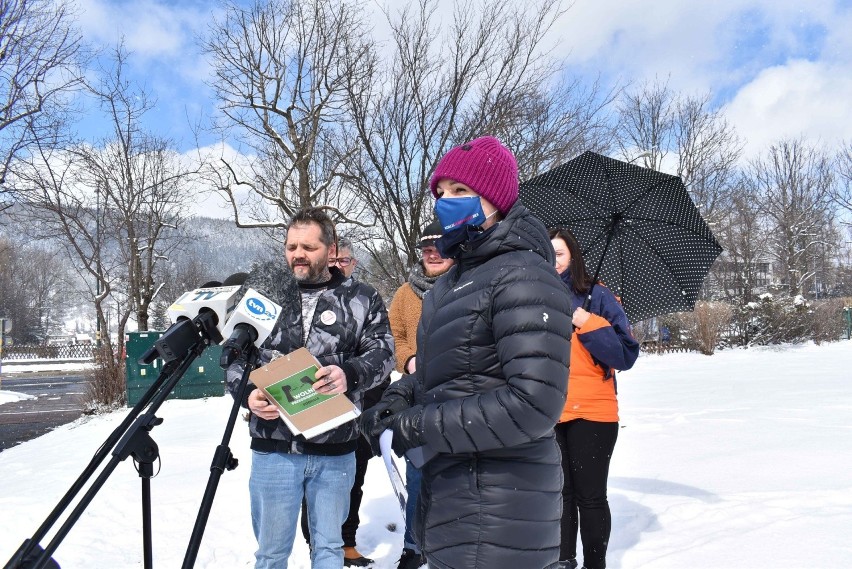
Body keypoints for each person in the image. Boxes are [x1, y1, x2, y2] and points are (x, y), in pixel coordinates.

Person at [361, 136, 573, 569]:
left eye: (461, 191)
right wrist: (398, 400)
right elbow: (446, 373)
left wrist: (417, 426)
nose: (445, 202)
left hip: (501, 513)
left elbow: (533, 404)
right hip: (450, 505)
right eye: (441, 193)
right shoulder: (448, 285)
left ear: (495, 199)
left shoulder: (523, 277)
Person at [226, 207, 395, 569]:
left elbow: (384, 354)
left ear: (330, 250)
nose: (297, 254)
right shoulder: (263, 295)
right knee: (271, 554)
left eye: (308, 246)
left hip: (335, 450)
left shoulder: (362, 297)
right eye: (291, 247)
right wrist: (247, 393)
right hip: (274, 449)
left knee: (329, 549)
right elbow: (234, 357)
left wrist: (349, 373)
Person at [548, 227, 640, 569]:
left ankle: (595, 564)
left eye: (559, 253)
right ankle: (563, 560)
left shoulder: (598, 297)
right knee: (560, 494)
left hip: (593, 413)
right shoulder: (535, 296)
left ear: (573, 256)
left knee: (589, 495)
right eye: (547, 253)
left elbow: (624, 356)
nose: (552, 260)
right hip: (550, 410)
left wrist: (587, 323)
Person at [299, 235, 389, 568]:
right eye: (332, 261)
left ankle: (347, 541)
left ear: (354, 264)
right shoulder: (309, 302)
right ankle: (318, 547)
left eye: (344, 261)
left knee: (354, 481)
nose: (338, 267)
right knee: (316, 489)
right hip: (317, 411)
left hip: (360, 410)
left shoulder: (367, 301)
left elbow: (383, 353)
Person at [386, 218, 453, 569]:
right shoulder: (404, 293)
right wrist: (408, 359)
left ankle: (450, 545)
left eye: (440, 248)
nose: (433, 254)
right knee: (417, 472)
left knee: (456, 474)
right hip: (418, 395)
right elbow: (393, 335)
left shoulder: (466, 285)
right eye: (427, 249)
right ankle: (413, 545)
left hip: (459, 395)